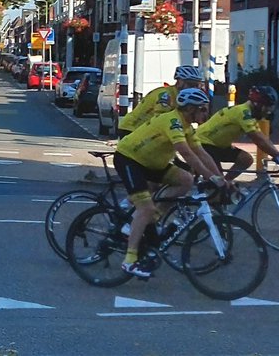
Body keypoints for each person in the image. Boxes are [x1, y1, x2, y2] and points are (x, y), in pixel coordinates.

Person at [113, 88, 219, 278]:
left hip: (152, 163)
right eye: (202, 109)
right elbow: (187, 154)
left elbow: (201, 153)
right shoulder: (173, 121)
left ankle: (152, 218)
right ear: (190, 109)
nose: (206, 113)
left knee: (185, 180)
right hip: (130, 159)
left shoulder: (187, 127)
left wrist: (220, 178)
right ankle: (129, 261)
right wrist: (211, 178)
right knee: (145, 208)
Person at [194, 85, 279, 185]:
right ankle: (217, 188)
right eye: (268, 107)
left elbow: (260, 136)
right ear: (258, 104)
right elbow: (258, 139)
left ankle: (226, 182)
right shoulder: (243, 113)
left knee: (246, 159)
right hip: (204, 143)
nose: (268, 111)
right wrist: (276, 155)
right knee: (217, 182)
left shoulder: (248, 113)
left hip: (218, 145)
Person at [116, 65, 204, 138]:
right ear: (180, 82)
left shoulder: (181, 97)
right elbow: (160, 120)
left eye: (198, 85)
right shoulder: (165, 95)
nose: (195, 88)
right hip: (132, 127)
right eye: (191, 84)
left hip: (146, 128)